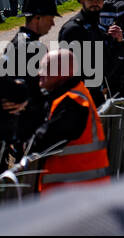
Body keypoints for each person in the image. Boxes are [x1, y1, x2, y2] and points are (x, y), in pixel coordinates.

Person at [28, 47, 110, 194]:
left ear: (62, 73)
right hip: (77, 191)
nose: (39, 73)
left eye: (45, 68)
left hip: (78, 194)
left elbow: (42, 141)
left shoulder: (74, 102)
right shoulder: (68, 95)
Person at [0, 0, 58, 157]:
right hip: (27, 134)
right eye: (50, 18)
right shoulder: (31, 48)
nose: (53, 23)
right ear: (37, 18)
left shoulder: (17, 42)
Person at [58, 0, 121, 106]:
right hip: (78, 102)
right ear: (82, 1)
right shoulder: (72, 30)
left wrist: (116, 42)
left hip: (96, 98)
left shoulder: (98, 29)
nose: (95, 4)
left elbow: (107, 65)